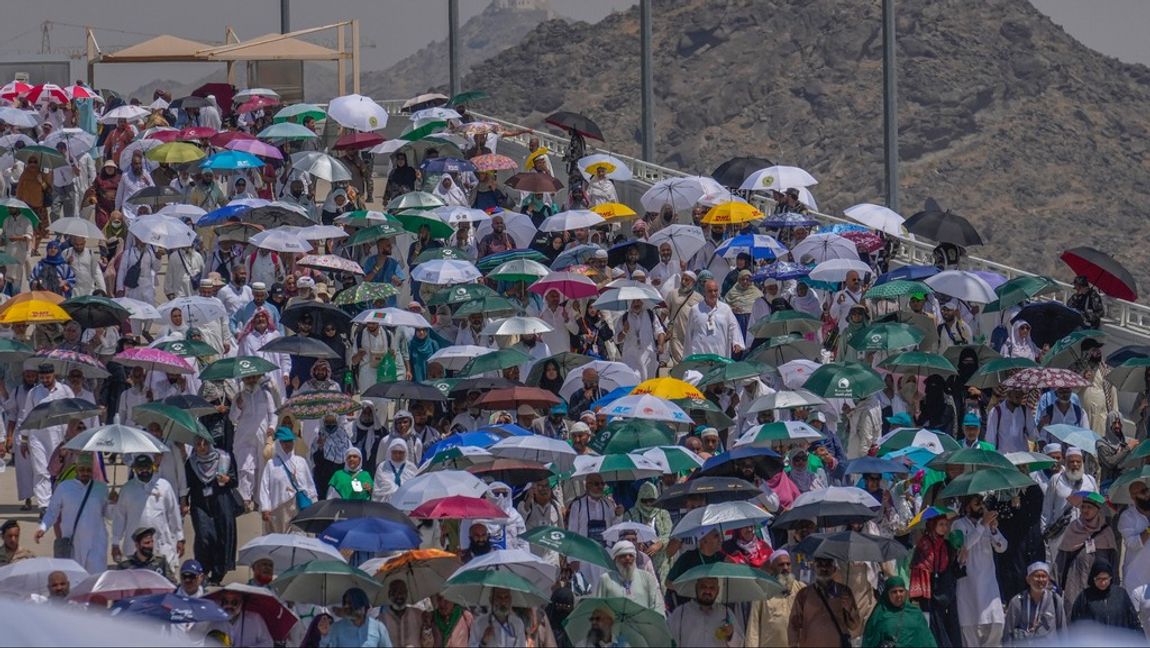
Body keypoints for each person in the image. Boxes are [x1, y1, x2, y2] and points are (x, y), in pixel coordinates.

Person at [35, 453, 108, 573]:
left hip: (97, 542)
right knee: (75, 580)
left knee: (96, 580)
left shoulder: (101, 488)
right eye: (82, 469)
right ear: (76, 469)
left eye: (88, 470)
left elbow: (108, 514)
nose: (85, 473)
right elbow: (52, 511)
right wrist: (43, 527)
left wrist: (113, 502)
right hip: (73, 542)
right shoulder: (64, 487)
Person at [952, 494, 1008, 647]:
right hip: (968, 585)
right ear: (967, 506)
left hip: (989, 584)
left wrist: (994, 529)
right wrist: (982, 525)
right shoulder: (958, 525)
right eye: (977, 504)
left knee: (997, 624)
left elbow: (1002, 547)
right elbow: (964, 545)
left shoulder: (987, 525)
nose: (982, 507)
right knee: (971, 633)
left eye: (983, 503)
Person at [111, 455, 184, 571]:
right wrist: (115, 543)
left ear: (153, 467)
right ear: (134, 469)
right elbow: (120, 517)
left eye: (147, 468)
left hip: (161, 544)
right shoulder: (127, 489)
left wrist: (180, 538)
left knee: (165, 581)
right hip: (135, 548)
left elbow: (173, 513)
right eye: (140, 469)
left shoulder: (164, 486)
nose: (144, 471)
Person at [185, 436, 240, 586]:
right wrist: (184, 501)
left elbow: (235, 481)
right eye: (198, 444)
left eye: (205, 443)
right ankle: (202, 571)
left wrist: (227, 479)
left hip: (221, 502)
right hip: (200, 504)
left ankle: (217, 573)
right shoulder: (191, 463)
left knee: (221, 537)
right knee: (204, 536)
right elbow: (187, 484)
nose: (202, 447)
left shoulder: (224, 458)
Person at [1056, 491, 1118, 616]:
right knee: (1074, 614)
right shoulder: (1073, 528)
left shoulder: (1106, 532)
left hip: (1100, 582)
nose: (1085, 510)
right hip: (1075, 579)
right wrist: (1055, 583)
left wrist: (1115, 585)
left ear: (1097, 510)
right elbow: (1061, 559)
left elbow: (1113, 561)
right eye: (1083, 507)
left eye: (1089, 507)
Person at [911, 512, 962, 647]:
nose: (945, 528)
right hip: (930, 592)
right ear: (932, 526)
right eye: (941, 524)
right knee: (936, 629)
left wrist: (958, 552)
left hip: (946, 590)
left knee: (952, 626)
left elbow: (952, 567)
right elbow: (921, 567)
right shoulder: (924, 544)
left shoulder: (946, 544)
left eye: (946, 524)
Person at [788, 557, 861, 648]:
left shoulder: (844, 592)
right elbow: (793, 624)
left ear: (834, 569)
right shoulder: (804, 594)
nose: (824, 568)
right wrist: (793, 644)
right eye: (820, 565)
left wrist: (849, 608)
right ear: (814, 568)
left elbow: (854, 625)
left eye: (828, 565)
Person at [259, 427, 317, 533]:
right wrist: (265, 508)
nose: (287, 444)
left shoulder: (301, 462)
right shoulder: (271, 464)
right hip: (277, 509)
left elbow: (309, 484)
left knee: (297, 537)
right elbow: (264, 487)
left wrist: (314, 503)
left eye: (290, 441)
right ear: (278, 443)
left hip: (298, 506)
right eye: (284, 442)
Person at [746, 550, 804, 646]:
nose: (785, 568)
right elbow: (753, 627)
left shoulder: (801, 589)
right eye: (781, 565)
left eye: (788, 564)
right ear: (772, 568)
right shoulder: (762, 591)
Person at [861, 576, 937, 648]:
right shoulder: (879, 614)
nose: (898, 595)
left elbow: (927, 639)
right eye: (894, 592)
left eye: (901, 591)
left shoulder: (915, 613)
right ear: (887, 594)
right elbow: (869, 640)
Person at [666, 576, 742, 647]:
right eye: (703, 586)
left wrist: (731, 634)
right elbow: (666, 638)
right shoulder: (681, 613)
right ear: (696, 588)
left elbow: (740, 644)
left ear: (718, 590)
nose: (707, 591)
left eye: (712, 588)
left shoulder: (725, 612)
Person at [593, 541, 663, 614]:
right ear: (615, 559)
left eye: (630, 555)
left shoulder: (646, 578)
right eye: (623, 555)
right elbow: (599, 607)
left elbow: (657, 606)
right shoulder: (606, 580)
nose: (627, 558)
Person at [1004, 561, 1066, 644]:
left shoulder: (1055, 600)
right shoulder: (1018, 600)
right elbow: (1008, 633)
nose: (1040, 580)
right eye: (1037, 576)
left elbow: (1062, 630)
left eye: (1044, 576)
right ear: (1028, 579)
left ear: (1048, 579)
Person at [1069, 560, 1140, 630]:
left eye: (1105, 579)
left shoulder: (1121, 595)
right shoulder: (1084, 597)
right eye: (1098, 579)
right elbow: (1075, 624)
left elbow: (1133, 621)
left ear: (1110, 578)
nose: (1103, 583)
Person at [685, 280, 745, 358]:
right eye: (710, 291)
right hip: (699, 355)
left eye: (715, 290)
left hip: (720, 354)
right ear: (704, 292)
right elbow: (689, 333)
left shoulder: (725, 309)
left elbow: (733, 326)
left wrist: (736, 342)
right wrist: (687, 356)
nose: (713, 293)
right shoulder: (695, 310)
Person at [210, 588, 275, 648]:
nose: (229, 606)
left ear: (242, 602)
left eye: (234, 602)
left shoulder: (255, 619)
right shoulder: (213, 621)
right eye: (225, 602)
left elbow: (268, 644)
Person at [372, 438, 417, 503]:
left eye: (401, 452)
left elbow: (414, 486)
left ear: (405, 452)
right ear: (390, 452)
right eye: (395, 452)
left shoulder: (411, 467)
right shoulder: (382, 466)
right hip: (386, 503)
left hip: (406, 502)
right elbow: (380, 486)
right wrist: (396, 490)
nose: (397, 455)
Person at [381, 580, 422, 647]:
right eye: (395, 592)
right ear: (389, 594)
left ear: (406, 593)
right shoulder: (380, 620)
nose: (399, 595)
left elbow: (428, 642)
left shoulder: (419, 615)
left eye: (402, 591)